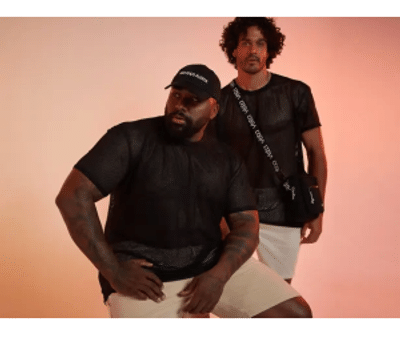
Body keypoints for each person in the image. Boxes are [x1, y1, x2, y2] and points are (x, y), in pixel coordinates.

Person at [56, 63, 312, 318]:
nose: (180, 105)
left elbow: (246, 225)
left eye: (193, 100)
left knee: (295, 314)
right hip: (147, 282)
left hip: (211, 269)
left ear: (213, 109)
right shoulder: (130, 138)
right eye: (176, 95)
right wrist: (113, 271)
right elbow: (73, 196)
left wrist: (218, 276)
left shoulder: (226, 159)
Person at [213, 17, 328, 284]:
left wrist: (317, 211)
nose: (253, 50)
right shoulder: (220, 101)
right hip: (235, 212)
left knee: (279, 294)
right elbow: (211, 165)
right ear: (234, 49)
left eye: (260, 43)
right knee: (230, 288)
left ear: (269, 50)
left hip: (284, 209)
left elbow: (316, 153)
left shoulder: (296, 92)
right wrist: (217, 218)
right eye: (245, 43)